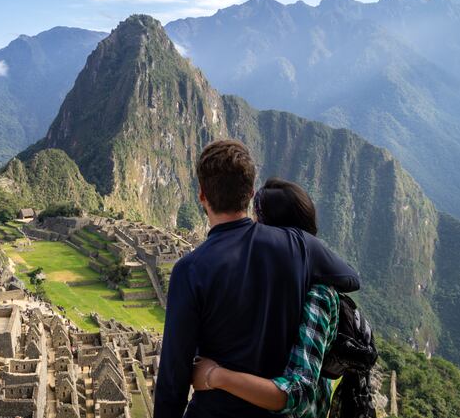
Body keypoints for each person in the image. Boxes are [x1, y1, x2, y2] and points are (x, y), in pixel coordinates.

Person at [153, 140, 359, 418]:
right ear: (250, 193)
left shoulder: (190, 270)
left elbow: (173, 377)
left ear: (201, 195)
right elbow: (349, 278)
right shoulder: (298, 246)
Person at [190, 178, 344, 416]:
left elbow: (299, 392)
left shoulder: (317, 293)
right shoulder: (263, 276)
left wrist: (215, 376)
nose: (252, 228)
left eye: (258, 222)